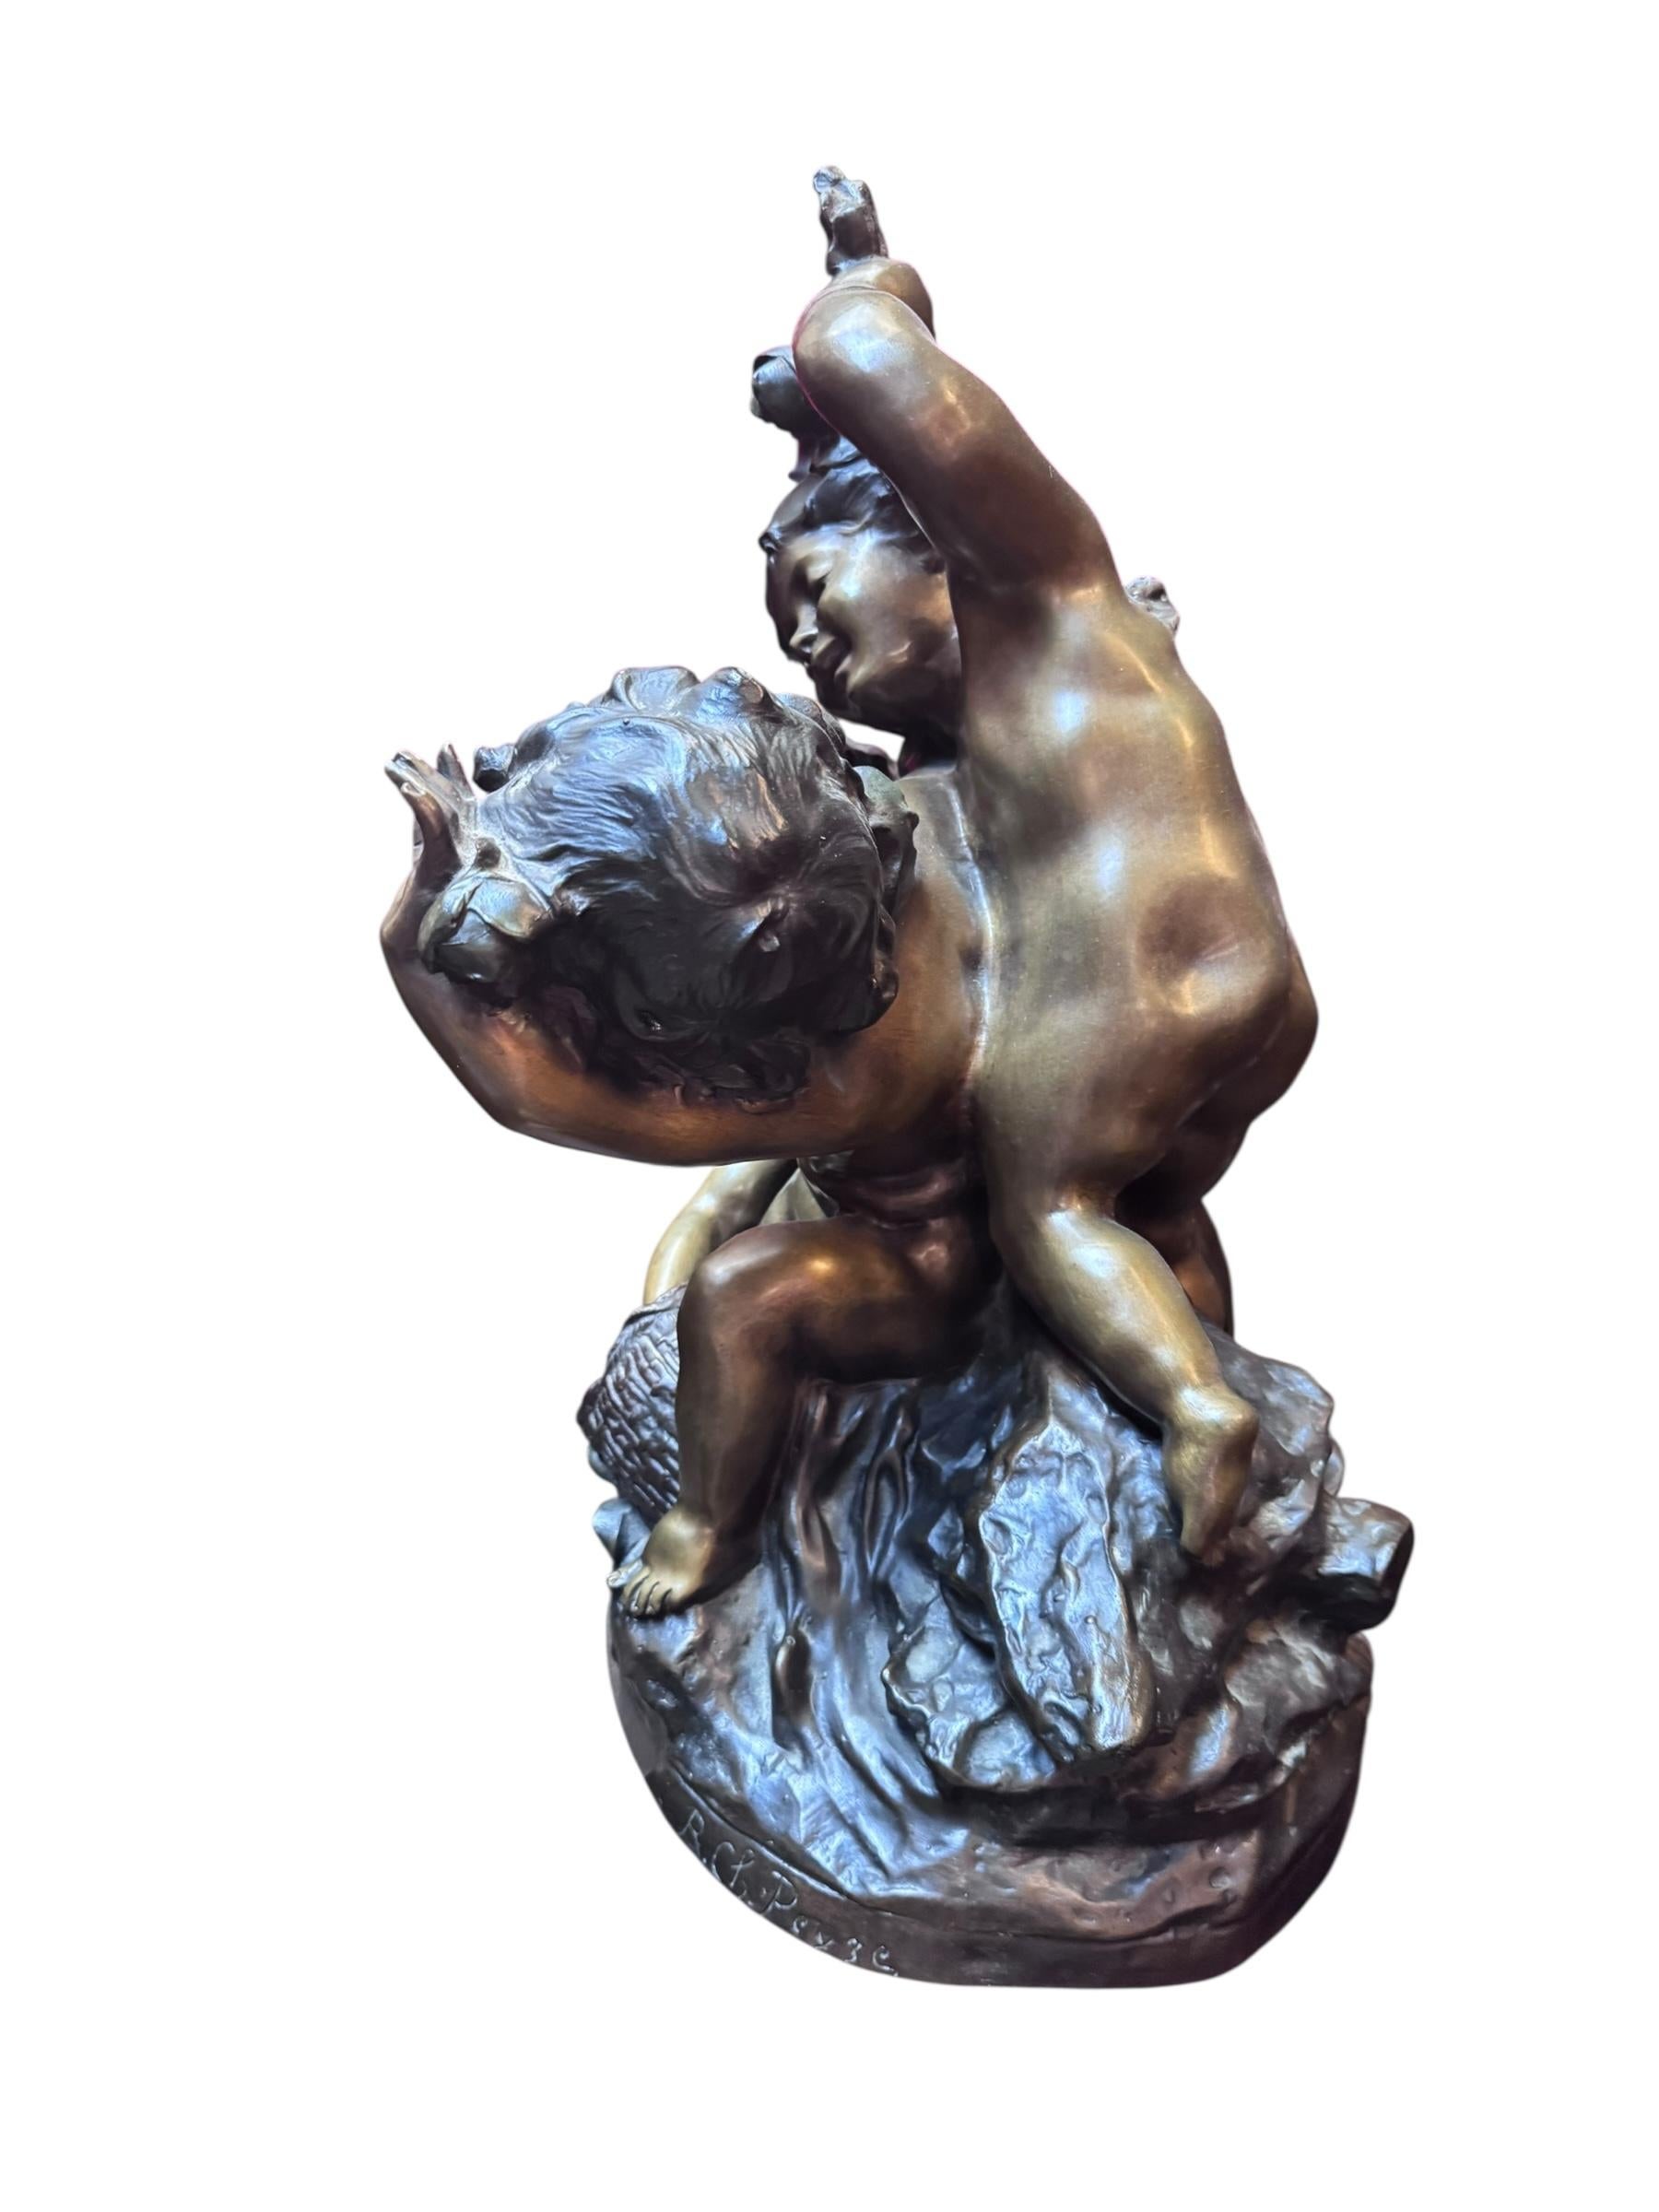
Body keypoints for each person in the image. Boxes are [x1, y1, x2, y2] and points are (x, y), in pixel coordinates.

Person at [382, 171, 1314, 1617]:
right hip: (1250, 993)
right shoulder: (1044, 673)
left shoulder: (1035, 625)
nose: (804, 639)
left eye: (814, 589)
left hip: (1106, 1021)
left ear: (937, 549)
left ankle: (1186, 1411)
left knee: (1052, 1212)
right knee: (1142, 1206)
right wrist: (863, 334)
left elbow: (538, 1097)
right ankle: (1183, 1418)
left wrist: (859, 315)